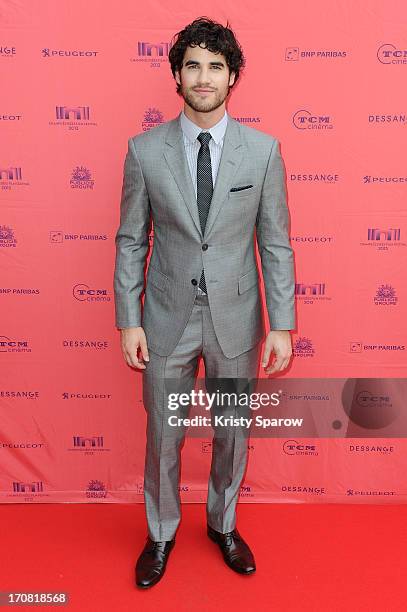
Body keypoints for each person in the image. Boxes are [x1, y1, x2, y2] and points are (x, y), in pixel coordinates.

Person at [113, 16, 296, 589]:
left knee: (232, 430)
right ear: (176, 74)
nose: (203, 76)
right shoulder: (144, 151)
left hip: (237, 320)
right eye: (193, 64)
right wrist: (128, 319)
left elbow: (274, 242)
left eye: (216, 66)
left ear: (232, 76)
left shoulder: (263, 152)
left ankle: (223, 524)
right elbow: (130, 239)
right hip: (165, 318)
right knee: (163, 434)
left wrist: (282, 324)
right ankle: (161, 532)